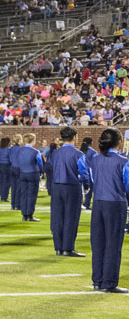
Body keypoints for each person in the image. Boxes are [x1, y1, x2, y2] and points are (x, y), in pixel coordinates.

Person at [88, 129, 129, 293]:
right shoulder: (123, 160)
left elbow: (92, 180)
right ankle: (109, 282)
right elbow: (127, 184)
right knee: (113, 243)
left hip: (98, 203)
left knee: (98, 243)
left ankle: (97, 280)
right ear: (119, 141)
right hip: (115, 203)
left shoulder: (95, 159)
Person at [51, 126, 89, 257]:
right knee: (70, 218)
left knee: (57, 218)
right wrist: (87, 185)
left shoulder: (55, 152)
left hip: (56, 186)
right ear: (74, 137)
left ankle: (58, 248)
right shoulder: (78, 154)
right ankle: (68, 248)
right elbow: (83, 173)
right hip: (72, 187)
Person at [14, 133, 43, 221]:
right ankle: (29, 215)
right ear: (32, 141)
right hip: (33, 174)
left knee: (23, 194)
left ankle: (24, 215)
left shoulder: (19, 151)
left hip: (22, 173)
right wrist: (41, 172)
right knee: (31, 195)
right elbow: (40, 163)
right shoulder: (35, 151)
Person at [0, 136, 14, 202]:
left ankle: (1, 195)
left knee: (0, 181)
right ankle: (4, 197)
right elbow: (11, 159)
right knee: (7, 182)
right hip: (7, 166)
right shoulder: (9, 150)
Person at [82, 136, 97, 209]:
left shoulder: (80, 151)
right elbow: (96, 163)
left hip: (80, 171)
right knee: (90, 188)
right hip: (89, 172)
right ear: (91, 143)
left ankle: (82, 203)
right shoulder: (93, 152)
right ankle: (87, 203)